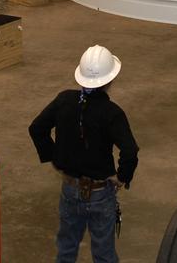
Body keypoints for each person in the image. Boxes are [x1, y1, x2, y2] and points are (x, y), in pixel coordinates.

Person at [30, 45, 138, 263]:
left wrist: (55, 157)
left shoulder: (64, 100)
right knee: (104, 254)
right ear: (109, 80)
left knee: (66, 250)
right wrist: (121, 177)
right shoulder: (112, 113)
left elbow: (37, 128)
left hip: (70, 189)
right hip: (100, 193)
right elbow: (129, 151)